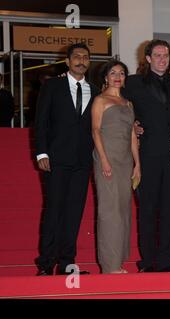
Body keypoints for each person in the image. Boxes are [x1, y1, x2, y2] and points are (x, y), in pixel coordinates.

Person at [34, 43, 100, 276]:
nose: (81, 60)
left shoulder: (95, 90)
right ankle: (45, 263)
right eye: (77, 57)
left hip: (82, 162)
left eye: (85, 57)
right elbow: (41, 121)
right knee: (54, 210)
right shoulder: (53, 86)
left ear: (89, 62)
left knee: (74, 212)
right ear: (68, 61)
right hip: (56, 159)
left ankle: (66, 263)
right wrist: (42, 152)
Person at [122, 40, 170, 273]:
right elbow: (118, 107)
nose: (162, 59)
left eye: (165, 55)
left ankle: (167, 260)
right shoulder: (133, 83)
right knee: (147, 209)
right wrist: (132, 124)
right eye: (157, 55)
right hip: (146, 154)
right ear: (147, 58)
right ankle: (148, 261)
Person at [92, 60, 140, 274]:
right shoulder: (100, 101)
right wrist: (103, 159)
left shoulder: (128, 104)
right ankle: (109, 265)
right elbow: (95, 131)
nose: (118, 76)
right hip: (107, 157)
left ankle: (118, 260)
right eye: (113, 73)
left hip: (125, 161)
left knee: (123, 211)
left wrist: (137, 164)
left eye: (121, 73)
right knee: (109, 211)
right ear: (106, 77)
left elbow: (131, 135)